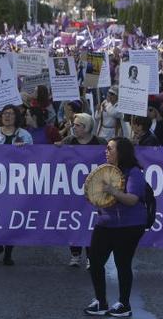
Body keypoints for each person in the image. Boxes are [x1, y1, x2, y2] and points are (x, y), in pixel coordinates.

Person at [83, 138, 147, 318]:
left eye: (110, 149)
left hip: (129, 226)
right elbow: (97, 194)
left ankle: (124, 305)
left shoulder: (134, 172)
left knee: (122, 264)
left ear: (121, 152)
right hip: (105, 222)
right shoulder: (106, 170)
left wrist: (112, 191)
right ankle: (100, 302)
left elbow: (132, 199)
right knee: (94, 263)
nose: (106, 151)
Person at [0, 105, 33, 266]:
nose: (7, 116)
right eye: (5, 113)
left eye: (11, 114)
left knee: (12, 217)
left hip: (16, 184)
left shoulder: (24, 135)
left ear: (16, 117)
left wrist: (24, 150)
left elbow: (34, 157)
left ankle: (9, 252)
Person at [56, 112, 99, 267]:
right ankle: (75, 253)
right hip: (72, 191)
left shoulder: (99, 142)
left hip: (92, 192)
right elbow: (55, 158)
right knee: (73, 222)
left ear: (87, 127)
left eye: (77, 125)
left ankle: (90, 256)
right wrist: (57, 148)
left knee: (90, 223)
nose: (74, 127)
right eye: (73, 125)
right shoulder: (68, 141)